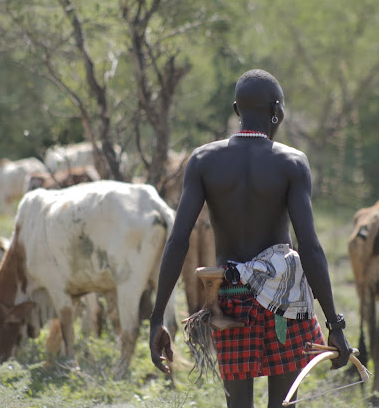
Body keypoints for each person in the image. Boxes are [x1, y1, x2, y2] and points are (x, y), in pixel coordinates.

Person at [149, 69, 352, 408]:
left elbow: (178, 241)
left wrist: (157, 318)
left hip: (230, 297)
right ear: (277, 111)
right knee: (284, 403)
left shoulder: (202, 161)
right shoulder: (291, 163)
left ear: (236, 110)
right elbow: (310, 248)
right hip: (285, 301)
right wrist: (335, 324)